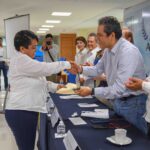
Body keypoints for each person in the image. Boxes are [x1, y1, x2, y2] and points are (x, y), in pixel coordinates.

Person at [70, 16, 148, 134]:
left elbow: (118, 88)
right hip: (118, 102)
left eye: (100, 35)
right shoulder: (107, 50)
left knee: (136, 141)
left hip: (133, 104)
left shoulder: (128, 52)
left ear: (111, 35)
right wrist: (80, 68)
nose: (97, 39)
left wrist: (92, 91)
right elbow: (97, 70)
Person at [4, 30, 73, 150]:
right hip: (21, 111)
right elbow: (45, 68)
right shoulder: (20, 60)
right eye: (33, 47)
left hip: (26, 110)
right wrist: (67, 64)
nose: (35, 51)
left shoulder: (29, 61)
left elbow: (41, 81)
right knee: (26, 147)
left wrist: (55, 86)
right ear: (22, 48)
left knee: (28, 145)